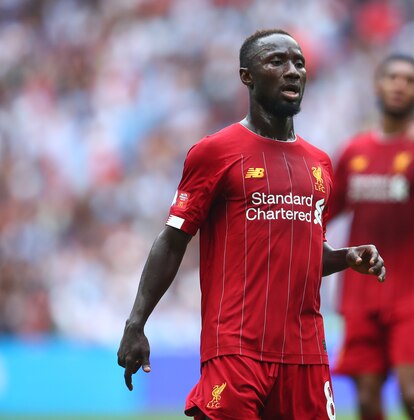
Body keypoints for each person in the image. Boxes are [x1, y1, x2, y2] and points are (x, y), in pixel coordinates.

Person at [117, 29, 386, 420]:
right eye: (276, 61)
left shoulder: (320, 164)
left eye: (299, 63)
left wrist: (347, 257)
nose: (292, 71)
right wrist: (136, 323)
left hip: (306, 354)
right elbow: (173, 239)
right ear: (247, 76)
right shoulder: (216, 152)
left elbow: (305, 253)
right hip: (237, 349)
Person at [328, 54, 414, 420]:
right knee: (368, 400)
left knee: (411, 392)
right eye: (392, 77)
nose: (400, 85)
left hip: (412, 293)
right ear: (378, 85)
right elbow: (325, 210)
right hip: (360, 292)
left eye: (410, 80)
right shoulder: (354, 151)